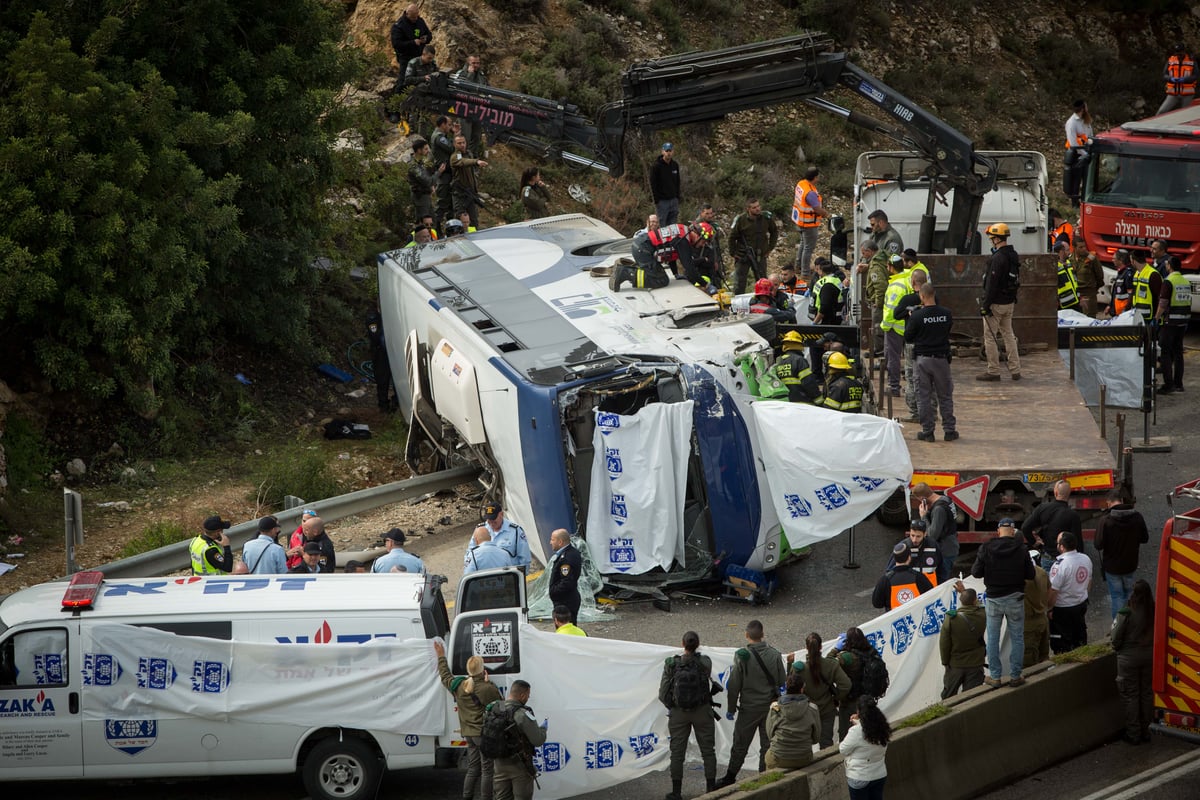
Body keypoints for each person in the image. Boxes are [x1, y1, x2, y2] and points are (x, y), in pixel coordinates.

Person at [718, 620, 786, 787]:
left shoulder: (742, 656)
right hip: (770, 708)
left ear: (746, 635)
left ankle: (730, 776)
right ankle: (764, 777)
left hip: (748, 709)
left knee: (740, 744)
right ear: (763, 635)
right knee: (767, 745)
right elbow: (782, 682)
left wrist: (731, 708)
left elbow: (734, 686)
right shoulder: (775, 655)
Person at [434, 641, 503, 800]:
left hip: (468, 734)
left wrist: (441, 656)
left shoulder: (459, 686)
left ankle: (467, 797)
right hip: (482, 734)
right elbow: (500, 704)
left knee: (473, 768)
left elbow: (445, 675)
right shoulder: (486, 688)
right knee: (487, 769)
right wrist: (489, 682)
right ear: (482, 670)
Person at [970, 517, 1034, 687]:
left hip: (994, 599)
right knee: (1017, 638)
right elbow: (1031, 575)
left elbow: (976, 573)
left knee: (992, 638)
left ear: (998, 531)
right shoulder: (1021, 549)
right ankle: (1015, 676)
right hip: (1015, 599)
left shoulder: (986, 548)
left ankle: (996, 677)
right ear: (1013, 531)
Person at [659, 631, 718, 799]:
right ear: (698, 644)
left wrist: (673, 706)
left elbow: (663, 693)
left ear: (682, 643)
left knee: (677, 753)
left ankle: (676, 792)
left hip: (679, 713)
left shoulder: (672, 664)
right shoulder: (705, 662)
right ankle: (711, 789)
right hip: (702, 710)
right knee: (708, 751)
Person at [905, 282, 957, 442]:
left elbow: (908, 337)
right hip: (941, 359)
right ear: (934, 295)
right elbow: (947, 331)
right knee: (945, 396)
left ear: (921, 296)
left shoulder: (917, 316)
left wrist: (911, 319)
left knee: (923, 397)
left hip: (922, 361)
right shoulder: (946, 314)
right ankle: (949, 430)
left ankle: (928, 432)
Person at [1093, 490, 1150, 619]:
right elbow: (1145, 538)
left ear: (1108, 503)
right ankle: (1131, 624)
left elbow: (1098, 545)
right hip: (1130, 564)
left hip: (1112, 568)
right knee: (1129, 594)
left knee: (1117, 596)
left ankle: (1118, 628)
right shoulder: (1137, 517)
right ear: (1122, 500)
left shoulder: (1105, 520)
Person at [1111, 579, 1155, 745]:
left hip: (1128, 659)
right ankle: (1147, 730)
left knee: (1131, 696)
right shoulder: (1154, 609)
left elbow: (1115, 638)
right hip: (1150, 657)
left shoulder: (1126, 612)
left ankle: (1133, 733)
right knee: (1147, 693)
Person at [978, 222, 1021, 382]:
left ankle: (993, 371)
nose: (991, 241)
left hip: (995, 304)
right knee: (1009, 335)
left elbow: (991, 285)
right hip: (1009, 302)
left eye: (991, 239)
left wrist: (985, 305)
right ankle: (1015, 369)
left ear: (996, 239)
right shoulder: (1013, 255)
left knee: (989, 337)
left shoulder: (997, 258)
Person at [491, 680, 547, 800]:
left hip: (498, 764)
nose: (528, 698)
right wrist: (543, 728)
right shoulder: (522, 714)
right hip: (519, 765)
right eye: (528, 695)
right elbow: (538, 740)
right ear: (522, 695)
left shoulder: (496, 708)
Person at [612, 222, 707, 292]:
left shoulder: (682, 231)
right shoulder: (683, 241)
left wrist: (676, 274)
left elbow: (672, 254)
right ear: (697, 235)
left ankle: (627, 270)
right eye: (703, 241)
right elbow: (689, 267)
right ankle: (625, 273)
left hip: (642, 245)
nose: (702, 245)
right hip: (644, 250)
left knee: (657, 273)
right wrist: (705, 284)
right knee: (662, 280)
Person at [763, 671, 821, 770]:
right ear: (802, 689)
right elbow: (816, 738)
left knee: (768, 757)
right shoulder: (812, 708)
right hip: (804, 757)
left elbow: (770, 735)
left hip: (779, 757)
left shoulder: (775, 709)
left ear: (786, 688)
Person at [1020, 480, 1083, 570]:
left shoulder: (1042, 508)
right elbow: (1078, 542)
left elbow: (1025, 527)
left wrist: (1034, 542)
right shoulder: (1073, 515)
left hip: (1047, 557)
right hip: (1065, 561)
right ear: (1069, 494)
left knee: (1047, 583)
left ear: (1055, 492)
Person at [1048, 530, 1092, 653]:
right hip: (1081, 604)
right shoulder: (1085, 559)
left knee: (1062, 645)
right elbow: (1089, 580)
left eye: (1057, 543)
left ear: (1061, 547)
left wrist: (1049, 608)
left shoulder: (1060, 565)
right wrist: (1083, 595)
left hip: (1063, 609)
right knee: (1080, 639)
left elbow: (1053, 590)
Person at [839, 696, 890, 800]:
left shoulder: (856, 731)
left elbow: (843, 749)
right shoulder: (883, 726)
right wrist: (858, 722)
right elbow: (868, 730)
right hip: (879, 774)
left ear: (858, 712)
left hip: (859, 777)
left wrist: (855, 725)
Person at [940, 585, 986, 698]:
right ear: (975, 600)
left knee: (948, 698)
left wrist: (945, 662)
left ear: (961, 601)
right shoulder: (983, 614)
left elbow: (944, 644)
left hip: (956, 664)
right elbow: (979, 604)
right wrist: (964, 591)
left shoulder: (951, 619)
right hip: (976, 663)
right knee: (972, 697)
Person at [834, 627, 879, 741]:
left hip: (850, 700)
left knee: (847, 733)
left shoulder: (847, 657)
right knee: (866, 728)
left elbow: (829, 664)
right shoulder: (872, 652)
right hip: (868, 697)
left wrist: (836, 649)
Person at [729, 199, 780, 295]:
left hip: (760, 255)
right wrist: (734, 253)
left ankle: (763, 301)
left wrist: (770, 248)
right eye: (754, 207)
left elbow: (774, 232)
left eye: (758, 206)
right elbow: (732, 237)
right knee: (739, 283)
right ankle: (738, 303)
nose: (757, 209)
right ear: (748, 209)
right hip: (743, 255)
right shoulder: (741, 220)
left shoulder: (766, 218)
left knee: (762, 281)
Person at [1157, 255, 1189, 393]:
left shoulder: (1168, 281)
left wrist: (1156, 317)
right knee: (1178, 352)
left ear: (1169, 266)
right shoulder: (1185, 281)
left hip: (1170, 321)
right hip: (1183, 321)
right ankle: (1178, 384)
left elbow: (1163, 302)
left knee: (1165, 352)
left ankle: (1168, 385)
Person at [913, 481, 958, 578]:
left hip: (945, 551)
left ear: (923, 499)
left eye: (919, 500)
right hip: (951, 545)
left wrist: (924, 517)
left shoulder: (938, 509)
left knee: (942, 581)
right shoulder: (946, 499)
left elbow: (932, 535)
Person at [872, 541, 934, 611]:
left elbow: (877, 603)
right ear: (909, 557)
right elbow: (931, 595)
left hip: (895, 620)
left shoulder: (885, 580)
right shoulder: (919, 577)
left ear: (894, 559)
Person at [880, 255, 909, 398]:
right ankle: (908, 386)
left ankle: (894, 387)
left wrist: (885, 326)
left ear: (891, 267)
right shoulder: (907, 279)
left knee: (893, 358)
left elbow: (891, 309)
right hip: (906, 326)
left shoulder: (895, 286)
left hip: (895, 327)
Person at [791, 166, 827, 281]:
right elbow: (817, 209)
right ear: (815, 177)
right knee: (808, 248)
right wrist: (827, 214)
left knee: (803, 243)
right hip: (808, 223)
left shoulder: (802, 184)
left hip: (800, 220)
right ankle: (805, 273)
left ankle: (798, 266)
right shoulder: (810, 193)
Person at [474, 501, 531, 570]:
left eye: (494, 519)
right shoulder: (480, 530)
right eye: (489, 519)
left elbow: (525, 558)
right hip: (486, 576)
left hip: (509, 575)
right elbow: (471, 555)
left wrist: (520, 577)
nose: (491, 522)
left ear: (501, 514)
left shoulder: (516, 531)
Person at [450, 134, 488, 230]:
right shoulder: (455, 156)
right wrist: (476, 162)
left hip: (470, 193)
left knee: (473, 221)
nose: (462, 145)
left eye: (464, 142)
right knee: (459, 221)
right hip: (460, 194)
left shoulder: (468, 153)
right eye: (459, 143)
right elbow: (462, 161)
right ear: (454, 144)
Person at [859, 239, 889, 356]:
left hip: (880, 304)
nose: (863, 256)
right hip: (886, 302)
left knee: (877, 327)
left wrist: (878, 303)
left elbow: (880, 286)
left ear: (870, 251)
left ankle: (879, 350)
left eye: (863, 253)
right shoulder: (882, 258)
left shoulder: (875, 266)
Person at [891, 518, 944, 586]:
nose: (914, 540)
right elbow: (891, 571)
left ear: (925, 534)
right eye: (912, 535)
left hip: (931, 591)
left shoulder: (933, 546)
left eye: (918, 536)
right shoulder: (903, 547)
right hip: (912, 590)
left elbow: (942, 569)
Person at [546, 528, 583, 624]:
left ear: (560, 542)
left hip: (565, 602)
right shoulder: (569, 553)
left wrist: (554, 591)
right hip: (566, 600)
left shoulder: (567, 558)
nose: (550, 542)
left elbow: (567, 582)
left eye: (552, 540)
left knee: (565, 630)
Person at [454, 54, 489, 152]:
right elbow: (459, 90)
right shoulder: (461, 74)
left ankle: (472, 159)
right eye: (474, 63)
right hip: (464, 111)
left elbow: (487, 89)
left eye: (478, 63)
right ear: (468, 62)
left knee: (476, 137)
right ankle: (462, 160)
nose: (476, 65)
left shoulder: (481, 75)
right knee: (465, 138)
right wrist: (470, 75)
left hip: (478, 110)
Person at [1023, 549, 1051, 669]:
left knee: (1029, 663)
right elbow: (1050, 591)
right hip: (1043, 619)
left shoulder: (1022, 577)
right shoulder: (1042, 572)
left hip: (1029, 623)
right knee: (1044, 656)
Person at [775, 331, 822, 404]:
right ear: (799, 345)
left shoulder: (779, 361)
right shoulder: (799, 360)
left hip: (785, 404)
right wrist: (819, 400)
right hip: (802, 404)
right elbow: (808, 382)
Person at [1063, 100, 1093, 206]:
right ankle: (1075, 203)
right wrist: (1084, 153)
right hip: (1077, 154)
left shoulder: (1085, 120)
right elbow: (1073, 143)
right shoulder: (1071, 123)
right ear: (1083, 108)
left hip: (1087, 151)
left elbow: (1090, 135)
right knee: (1076, 180)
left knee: (1087, 178)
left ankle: (1086, 199)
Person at [408, 138, 443, 223]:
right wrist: (439, 172)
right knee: (425, 224)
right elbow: (427, 181)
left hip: (426, 196)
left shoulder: (421, 162)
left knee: (432, 222)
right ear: (419, 150)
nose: (428, 151)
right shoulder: (413, 166)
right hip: (420, 197)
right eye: (426, 149)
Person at [1158, 43, 1197, 115]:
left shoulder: (1191, 61)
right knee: (1161, 111)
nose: (1179, 54)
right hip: (1173, 93)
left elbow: (1196, 76)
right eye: (1177, 52)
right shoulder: (1171, 60)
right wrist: (1170, 79)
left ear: (1184, 51)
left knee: (1185, 114)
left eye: (1180, 52)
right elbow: (1164, 75)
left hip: (1187, 94)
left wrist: (1184, 79)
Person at [390, 4, 432, 72]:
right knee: (405, 79)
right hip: (406, 58)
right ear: (407, 14)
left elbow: (429, 34)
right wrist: (412, 43)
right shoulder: (399, 26)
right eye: (413, 17)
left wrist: (426, 39)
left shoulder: (420, 21)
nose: (415, 19)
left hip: (420, 57)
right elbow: (396, 44)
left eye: (416, 16)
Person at [432, 116, 456, 227]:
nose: (450, 127)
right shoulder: (439, 137)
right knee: (442, 203)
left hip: (448, 173)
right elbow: (452, 148)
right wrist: (455, 134)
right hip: (444, 174)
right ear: (443, 124)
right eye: (449, 124)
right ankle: (435, 229)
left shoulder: (442, 136)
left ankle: (450, 227)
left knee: (451, 203)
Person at [1072, 236, 1105, 317]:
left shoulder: (1091, 258)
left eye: (1084, 246)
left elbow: (1100, 275)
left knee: (1089, 318)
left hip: (1089, 293)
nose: (1084, 249)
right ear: (1074, 248)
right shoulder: (1070, 259)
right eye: (1080, 247)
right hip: (1076, 294)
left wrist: (1093, 289)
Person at [650, 142, 681, 225]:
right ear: (663, 152)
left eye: (670, 151)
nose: (668, 153)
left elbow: (678, 182)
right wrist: (657, 200)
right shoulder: (656, 166)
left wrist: (677, 197)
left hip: (673, 200)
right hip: (662, 201)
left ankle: (672, 238)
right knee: (662, 223)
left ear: (673, 152)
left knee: (673, 224)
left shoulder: (675, 165)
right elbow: (653, 184)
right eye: (666, 151)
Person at [1131, 249, 1163, 323]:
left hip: (1149, 318)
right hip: (1137, 317)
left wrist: (1156, 318)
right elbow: (1133, 294)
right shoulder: (1137, 274)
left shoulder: (1153, 275)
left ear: (1133, 261)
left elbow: (1160, 298)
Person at [811, 258, 845, 325]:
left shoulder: (827, 285)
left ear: (821, 271)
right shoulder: (835, 280)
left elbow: (824, 307)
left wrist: (815, 322)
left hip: (828, 321)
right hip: (834, 318)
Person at [1053, 242, 1081, 311]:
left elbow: (1075, 281)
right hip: (1064, 306)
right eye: (1067, 250)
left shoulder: (1069, 263)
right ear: (1061, 252)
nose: (1069, 252)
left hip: (1076, 303)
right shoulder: (1054, 266)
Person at [1110, 248, 1135, 316]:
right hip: (1118, 311)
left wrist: (1126, 310)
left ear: (1121, 260)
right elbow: (1116, 294)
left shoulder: (1128, 274)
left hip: (1123, 313)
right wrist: (1110, 306)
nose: (1112, 260)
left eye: (1114, 258)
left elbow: (1131, 295)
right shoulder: (1121, 273)